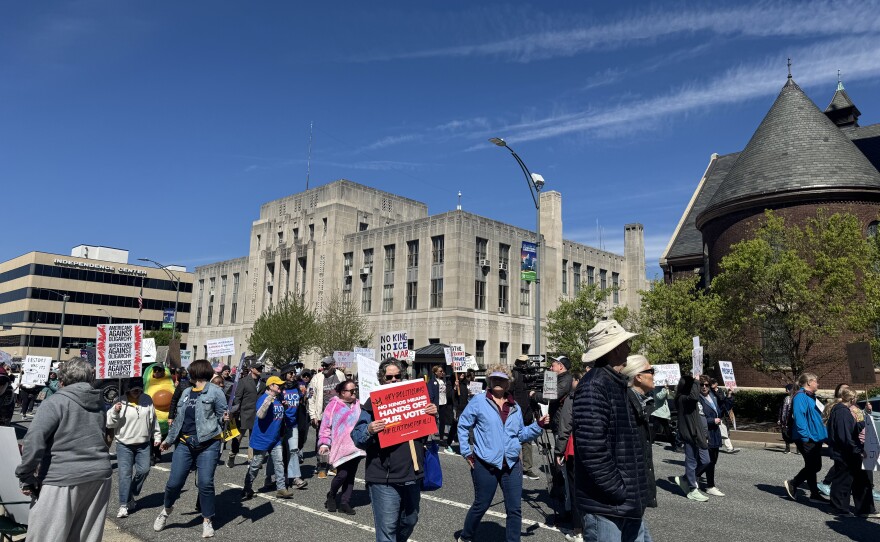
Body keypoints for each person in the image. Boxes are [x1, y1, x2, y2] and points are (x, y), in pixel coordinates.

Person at [16, 357, 112, 542]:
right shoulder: (99, 403)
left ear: (62, 380)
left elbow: (34, 441)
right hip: (99, 475)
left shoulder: (55, 402)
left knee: (46, 536)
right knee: (85, 537)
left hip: (61, 477)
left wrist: (25, 474)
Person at [572, 320, 652, 542]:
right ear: (616, 348)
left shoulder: (614, 383)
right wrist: (618, 489)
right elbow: (591, 448)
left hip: (623, 503)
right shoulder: (594, 386)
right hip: (606, 505)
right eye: (626, 343)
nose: (629, 348)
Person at [455, 364, 549, 542]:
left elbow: (521, 434)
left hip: (512, 464)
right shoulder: (478, 401)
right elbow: (463, 425)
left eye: (502, 379)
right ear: (489, 381)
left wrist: (539, 425)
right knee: (481, 505)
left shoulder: (515, 406)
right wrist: (467, 452)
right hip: (485, 462)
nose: (498, 382)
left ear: (508, 384)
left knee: (514, 509)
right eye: (495, 378)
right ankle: (466, 536)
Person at [352, 358, 438, 542]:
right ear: (381, 379)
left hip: (412, 475)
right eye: (389, 377)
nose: (393, 380)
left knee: (410, 520)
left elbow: (425, 433)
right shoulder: (372, 404)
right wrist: (369, 429)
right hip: (384, 477)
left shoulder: (416, 398)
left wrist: (432, 415)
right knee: (387, 531)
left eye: (397, 376)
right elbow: (357, 438)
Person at [154, 359, 229, 538]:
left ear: (195, 373)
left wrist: (225, 418)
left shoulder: (216, 392)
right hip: (184, 443)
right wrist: (169, 440)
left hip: (209, 443)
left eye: (189, 372)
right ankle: (166, 510)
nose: (187, 374)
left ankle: (207, 520)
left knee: (205, 483)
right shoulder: (186, 392)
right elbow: (179, 419)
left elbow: (222, 415)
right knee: (174, 483)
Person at [106, 377, 162, 518]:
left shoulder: (147, 399)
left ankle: (131, 493)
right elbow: (110, 424)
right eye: (133, 389)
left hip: (143, 443)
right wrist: (115, 411)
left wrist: (157, 436)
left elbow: (153, 419)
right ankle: (124, 505)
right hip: (124, 444)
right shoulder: (120, 401)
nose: (136, 391)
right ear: (127, 389)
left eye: (139, 389)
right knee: (125, 475)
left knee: (144, 470)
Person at [826, 388, 878, 517]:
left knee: (861, 480)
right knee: (843, 480)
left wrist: (865, 415)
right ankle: (838, 508)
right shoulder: (842, 412)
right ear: (852, 398)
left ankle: (865, 509)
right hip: (845, 452)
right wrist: (857, 450)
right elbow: (845, 436)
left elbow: (853, 428)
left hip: (848, 451)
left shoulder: (844, 411)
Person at [241, 376, 295, 500]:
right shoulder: (264, 399)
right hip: (262, 438)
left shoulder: (278, 399)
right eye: (278, 385)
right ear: (271, 386)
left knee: (279, 463)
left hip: (275, 439)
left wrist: (284, 406)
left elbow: (279, 415)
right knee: (255, 464)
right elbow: (260, 414)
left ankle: (281, 488)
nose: (280, 387)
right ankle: (247, 487)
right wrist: (269, 400)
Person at [319, 379, 366, 514]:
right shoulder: (333, 406)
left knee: (350, 475)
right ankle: (332, 495)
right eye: (350, 391)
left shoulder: (358, 404)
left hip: (356, 446)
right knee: (342, 474)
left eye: (355, 390)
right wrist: (324, 442)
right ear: (341, 392)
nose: (354, 393)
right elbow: (325, 426)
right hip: (340, 447)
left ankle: (345, 502)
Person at [783, 372, 830, 504]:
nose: (818, 384)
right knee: (814, 465)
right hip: (807, 437)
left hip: (815, 437)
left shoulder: (811, 396)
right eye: (816, 381)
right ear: (809, 382)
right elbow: (799, 417)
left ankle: (814, 494)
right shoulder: (800, 397)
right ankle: (793, 483)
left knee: (813, 465)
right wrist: (804, 436)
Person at [620, 356, 658, 510]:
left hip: (637, 489)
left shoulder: (642, 402)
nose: (654, 375)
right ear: (638, 377)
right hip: (627, 492)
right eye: (651, 371)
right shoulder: (624, 404)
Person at [554, 369, 583, 542]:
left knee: (574, 488)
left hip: (575, 447)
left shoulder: (573, 397)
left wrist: (559, 450)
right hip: (597, 449)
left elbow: (565, 425)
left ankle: (578, 529)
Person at [674, 374, 710, 502]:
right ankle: (692, 489)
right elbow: (694, 397)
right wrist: (695, 381)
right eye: (698, 385)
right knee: (691, 462)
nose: (700, 387)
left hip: (698, 434)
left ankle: (685, 478)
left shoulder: (690, 398)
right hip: (689, 434)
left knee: (705, 460)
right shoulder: (682, 398)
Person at [308, 356, 346, 478]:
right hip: (322, 415)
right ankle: (321, 466)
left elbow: (345, 393)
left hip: (338, 415)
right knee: (322, 441)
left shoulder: (340, 376)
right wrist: (313, 415)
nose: (323, 368)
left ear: (333, 365)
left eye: (326, 366)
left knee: (336, 440)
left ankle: (333, 464)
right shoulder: (317, 378)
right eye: (322, 365)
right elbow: (311, 397)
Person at [699, 375, 732, 497]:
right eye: (701, 385)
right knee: (708, 461)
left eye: (706, 385)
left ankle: (692, 479)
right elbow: (698, 419)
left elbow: (724, 408)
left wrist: (729, 395)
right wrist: (712, 421)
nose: (704, 387)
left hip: (715, 433)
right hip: (705, 433)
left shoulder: (713, 395)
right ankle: (709, 485)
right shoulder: (698, 399)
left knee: (712, 461)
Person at [227, 359, 263, 467]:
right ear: (252, 369)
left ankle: (251, 460)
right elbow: (237, 398)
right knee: (238, 438)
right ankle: (232, 455)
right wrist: (235, 413)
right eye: (258, 368)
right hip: (244, 414)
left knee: (253, 438)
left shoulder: (263, 383)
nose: (260, 370)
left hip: (257, 414)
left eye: (261, 368)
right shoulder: (243, 381)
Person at [511, 355, 539, 480]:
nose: (525, 365)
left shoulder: (531, 375)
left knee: (527, 441)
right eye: (522, 362)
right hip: (516, 412)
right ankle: (512, 466)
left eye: (526, 362)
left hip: (528, 412)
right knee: (513, 439)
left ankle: (527, 468)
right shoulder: (514, 375)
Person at [281, 367, 308, 489]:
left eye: (294, 373)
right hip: (280, 424)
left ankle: (296, 477)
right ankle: (275, 476)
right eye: (290, 373)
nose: (293, 375)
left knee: (293, 450)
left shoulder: (298, 388)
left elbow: (302, 404)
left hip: (294, 424)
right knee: (277, 452)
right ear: (284, 374)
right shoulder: (280, 388)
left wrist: (305, 396)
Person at [428, 365, 455, 453]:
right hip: (436, 404)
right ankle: (430, 438)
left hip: (444, 403)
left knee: (442, 421)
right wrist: (432, 404)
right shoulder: (432, 382)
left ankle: (441, 439)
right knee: (433, 421)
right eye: (440, 371)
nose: (442, 373)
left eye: (442, 371)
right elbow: (431, 394)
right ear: (435, 372)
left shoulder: (444, 381)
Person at [710, 379, 740, 454]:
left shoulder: (720, 391)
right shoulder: (708, 392)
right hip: (711, 415)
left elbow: (725, 402)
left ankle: (729, 447)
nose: (712, 384)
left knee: (724, 431)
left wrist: (729, 394)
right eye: (711, 383)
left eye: (713, 383)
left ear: (717, 383)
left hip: (720, 415)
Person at [778, 384, 796, 454]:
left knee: (795, 434)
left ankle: (798, 449)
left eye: (787, 389)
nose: (786, 391)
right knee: (785, 434)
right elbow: (782, 409)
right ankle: (787, 448)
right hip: (785, 420)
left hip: (793, 419)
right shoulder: (786, 398)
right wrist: (779, 418)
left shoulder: (795, 398)